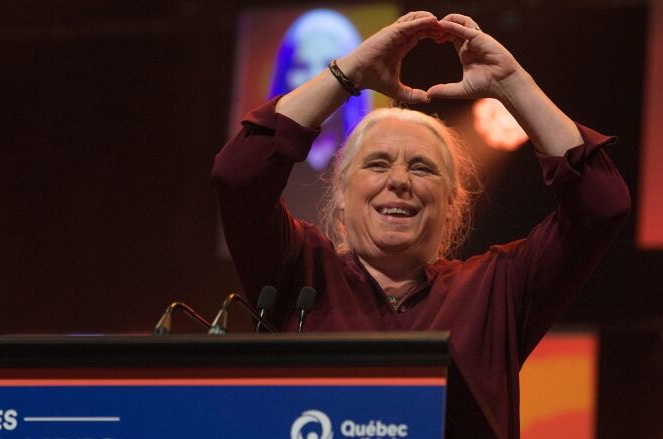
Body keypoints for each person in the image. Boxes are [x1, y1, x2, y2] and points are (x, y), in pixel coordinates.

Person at [212, 11, 630, 439]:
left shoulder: (498, 289)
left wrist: (511, 84)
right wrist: (349, 72)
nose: (399, 181)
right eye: (377, 164)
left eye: (422, 168)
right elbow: (238, 175)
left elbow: (601, 206)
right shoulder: (298, 269)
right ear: (340, 196)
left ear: (452, 206)